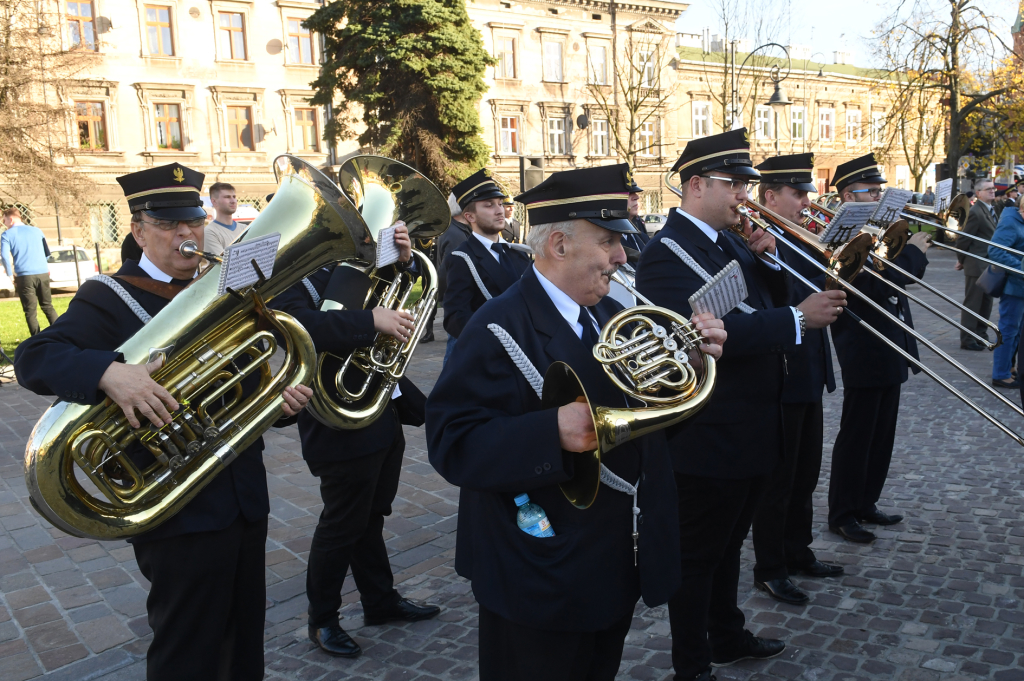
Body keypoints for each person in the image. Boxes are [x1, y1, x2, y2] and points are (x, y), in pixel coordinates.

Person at [426, 163, 727, 681]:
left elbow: (642, 427)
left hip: (609, 563)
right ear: (559, 245)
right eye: (609, 239)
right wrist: (551, 433)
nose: (622, 255)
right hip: (540, 575)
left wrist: (689, 374)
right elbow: (452, 442)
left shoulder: (610, 313)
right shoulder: (496, 325)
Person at [13, 163, 313, 681]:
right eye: (170, 225)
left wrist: (276, 398)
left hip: (241, 494)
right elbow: (35, 357)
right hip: (176, 506)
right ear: (138, 230)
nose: (187, 235)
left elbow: (244, 379)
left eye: (193, 222)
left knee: (244, 638)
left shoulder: (224, 286)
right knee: (186, 646)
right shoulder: (108, 295)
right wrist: (108, 372)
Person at [634, 129, 846, 680]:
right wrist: (799, 318)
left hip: (751, 423)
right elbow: (714, 334)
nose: (744, 195)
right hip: (709, 432)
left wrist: (769, 261)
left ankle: (726, 635)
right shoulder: (668, 251)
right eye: (735, 183)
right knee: (699, 555)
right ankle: (692, 662)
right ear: (697, 184)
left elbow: (758, 302)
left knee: (730, 547)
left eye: (749, 183)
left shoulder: (726, 239)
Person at [271, 223, 440, 659]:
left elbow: (406, 307)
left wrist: (403, 266)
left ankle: (379, 601)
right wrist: (369, 321)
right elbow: (293, 328)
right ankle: (322, 619)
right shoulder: (287, 275)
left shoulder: (362, 266)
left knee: (371, 517)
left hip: (378, 406)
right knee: (342, 523)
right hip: (335, 419)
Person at [749, 153, 845, 606]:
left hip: (810, 365)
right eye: (797, 193)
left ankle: (797, 549)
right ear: (770, 196)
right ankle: (770, 566)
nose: (807, 200)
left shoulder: (805, 235)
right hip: (783, 367)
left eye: (806, 192)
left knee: (806, 471)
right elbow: (777, 297)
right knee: (778, 478)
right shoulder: (761, 238)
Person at [827, 153, 930, 544]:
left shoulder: (876, 230)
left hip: (890, 339)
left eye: (879, 189)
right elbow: (877, 287)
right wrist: (915, 253)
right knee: (858, 433)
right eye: (872, 190)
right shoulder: (845, 237)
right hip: (864, 343)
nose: (879, 195)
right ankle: (843, 511)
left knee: (881, 432)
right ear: (849, 195)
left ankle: (865, 501)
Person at [442, 169, 531, 350]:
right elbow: (455, 318)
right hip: (489, 351)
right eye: (489, 205)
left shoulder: (517, 253)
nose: (499, 211)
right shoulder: (462, 258)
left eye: (500, 204)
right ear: (470, 216)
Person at [954, 178, 997, 351]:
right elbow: (963, 239)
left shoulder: (989, 209)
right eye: (988, 189)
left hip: (989, 264)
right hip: (976, 263)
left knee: (986, 303)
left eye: (993, 189)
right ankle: (968, 338)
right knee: (973, 302)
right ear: (978, 193)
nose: (992, 191)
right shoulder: (975, 212)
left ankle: (981, 334)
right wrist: (961, 260)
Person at [1, 207, 58, 336]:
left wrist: (10, 275)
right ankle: (62, 335)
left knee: (30, 311)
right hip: (42, 273)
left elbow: (4, 256)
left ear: (11, 219)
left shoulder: (7, 235)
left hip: (24, 275)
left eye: (4, 221)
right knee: (48, 306)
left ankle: (37, 339)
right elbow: (47, 254)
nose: (4, 225)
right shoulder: (37, 231)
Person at [988, 195, 1024, 389]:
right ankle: (1000, 373)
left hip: (1020, 286)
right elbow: (995, 251)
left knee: (1017, 332)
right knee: (1008, 331)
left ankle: (1008, 368)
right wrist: (1020, 267)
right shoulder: (1011, 221)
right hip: (1014, 286)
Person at [436, 191, 473, 358]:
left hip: (459, 304)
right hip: (461, 305)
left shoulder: (457, 230)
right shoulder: (456, 234)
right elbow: (449, 273)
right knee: (455, 356)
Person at [204, 182, 245, 256]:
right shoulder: (210, 232)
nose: (233, 201)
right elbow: (223, 263)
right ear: (214, 201)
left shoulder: (244, 229)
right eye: (227, 197)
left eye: (234, 197)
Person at [622, 170, 650, 254]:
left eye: (634, 193)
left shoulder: (641, 237)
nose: (636, 197)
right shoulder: (605, 243)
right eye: (628, 194)